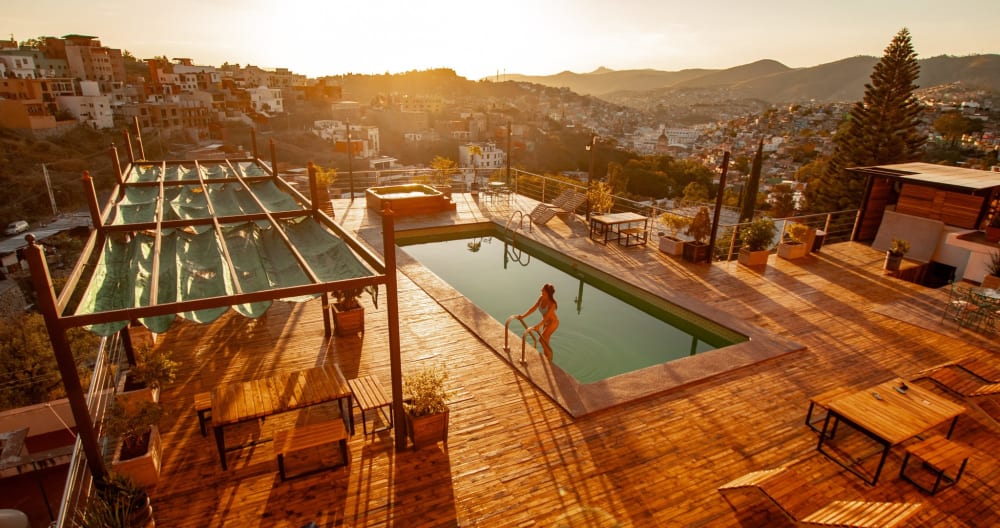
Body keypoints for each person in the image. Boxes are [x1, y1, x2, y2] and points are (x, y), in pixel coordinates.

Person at [518, 283, 559, 361]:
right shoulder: (541, 298)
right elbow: (533, 308)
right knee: (545, 342)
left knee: (541, 339)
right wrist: (522, 316)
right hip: (545, 323)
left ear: (547, 292)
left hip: (553, 323)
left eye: (543, 290)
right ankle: (547, 358)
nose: (541, 290)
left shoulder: (552, 304)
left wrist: (538, 326)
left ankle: (549, 357)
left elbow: (547, 318)